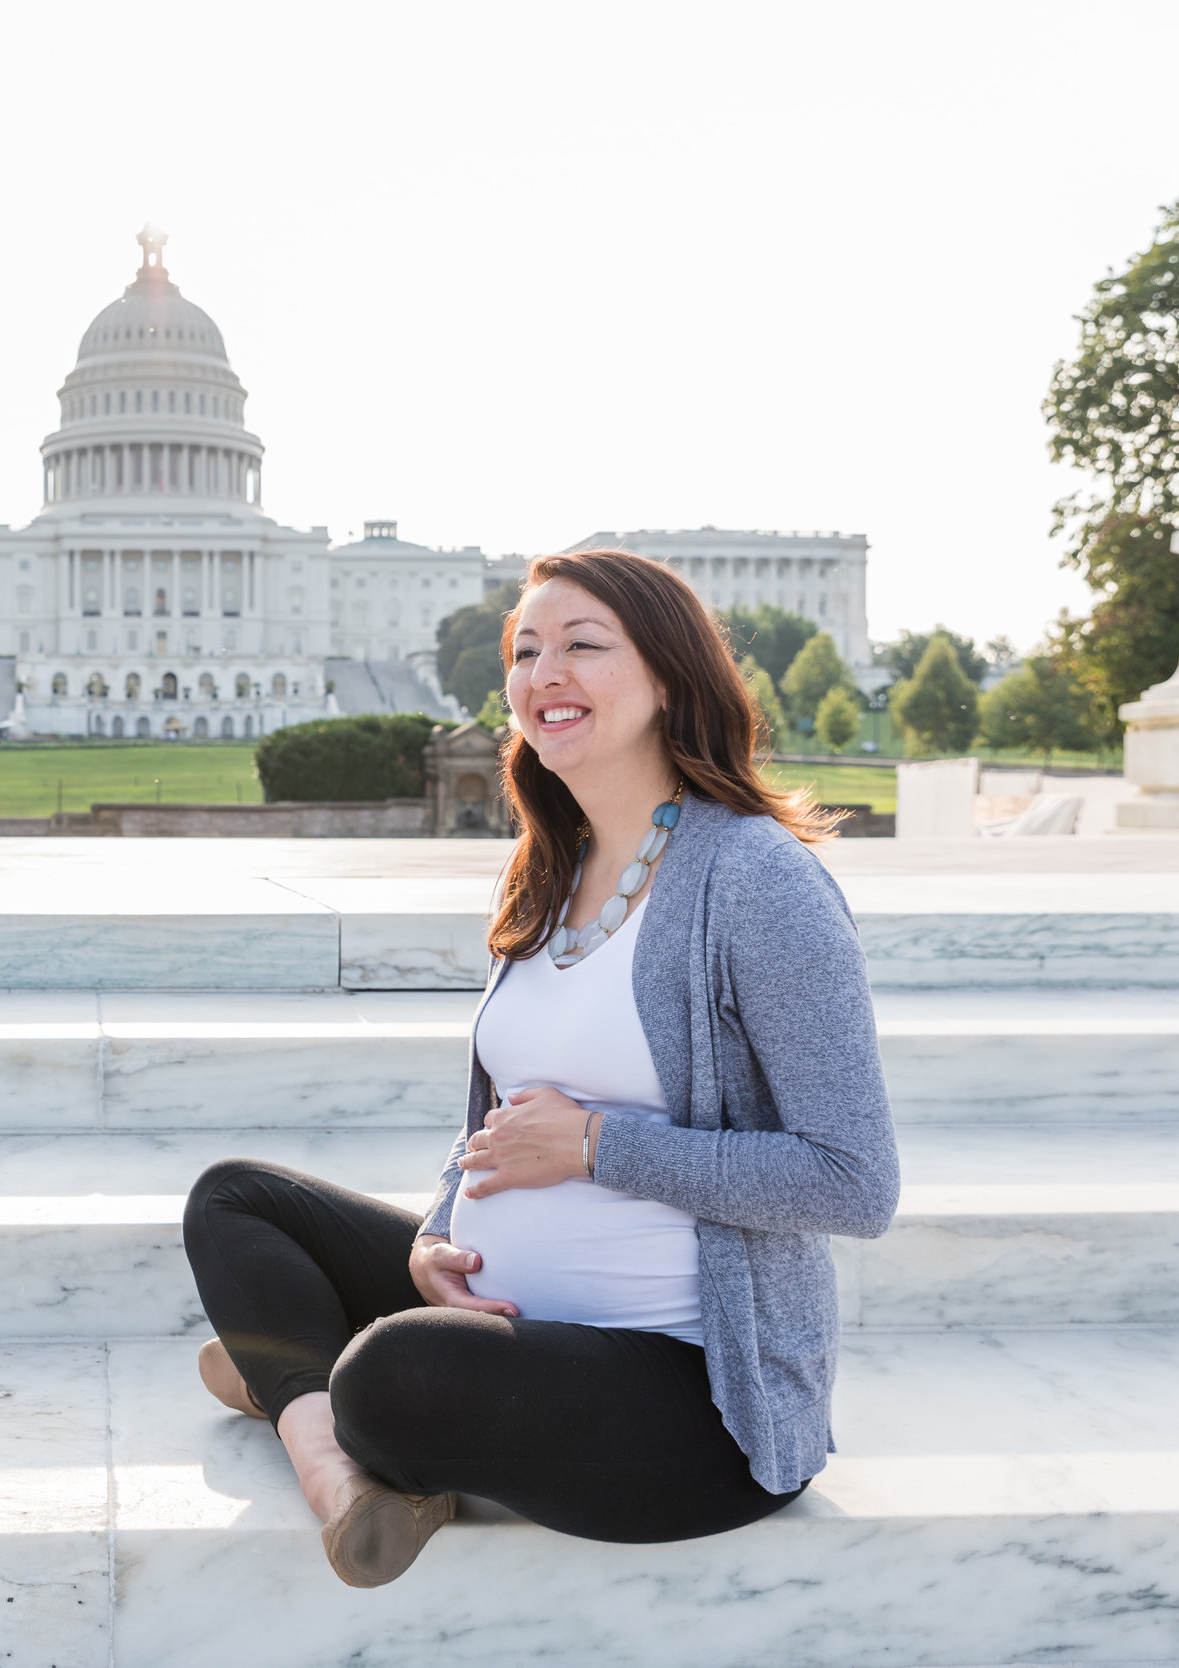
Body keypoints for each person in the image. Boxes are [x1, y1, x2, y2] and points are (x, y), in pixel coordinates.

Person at [182, 548, 900, 1587]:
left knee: (392, 1372)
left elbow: (852, 1182)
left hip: (687, 1397)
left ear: (667, 678)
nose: (540, 673)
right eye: (525, 651)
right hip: (508, 1318)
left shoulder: (754, 880)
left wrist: (601, 1147)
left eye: (581, 646)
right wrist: (436, 1233)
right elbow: (501, 1116)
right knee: (235, 1201)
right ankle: (327, 1444)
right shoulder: (548, 867)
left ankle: (310, 1389)